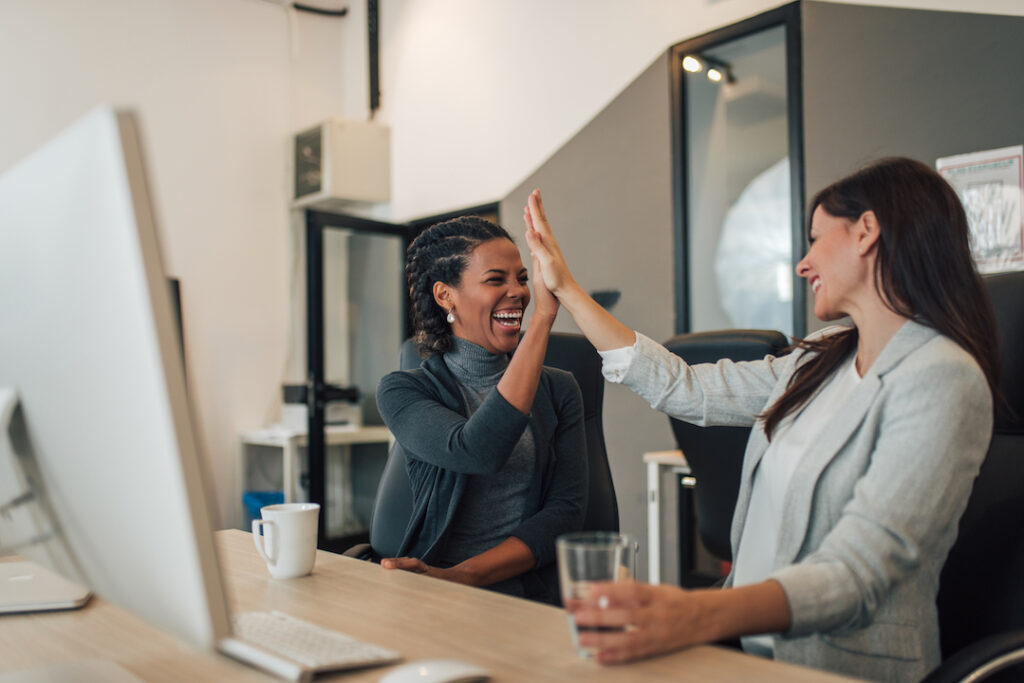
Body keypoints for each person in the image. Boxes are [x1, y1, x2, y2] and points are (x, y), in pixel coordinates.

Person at [523, 157, 999, 681]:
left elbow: (858, 571)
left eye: (816, 239)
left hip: (838, 670)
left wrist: (692, 613)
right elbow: (687, 388)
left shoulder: (942, 377)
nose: (803, 263)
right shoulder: (821, 358)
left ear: (866, 232)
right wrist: (566, 288)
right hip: (745, 654)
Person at [376, 215, 588, 605]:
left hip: (528, 595)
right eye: (496, 280)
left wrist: (466, 576)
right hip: (434, 590)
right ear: (445, 296)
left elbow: (566, 511)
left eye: (523, 279)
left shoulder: (560, 390)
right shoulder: (404, 390)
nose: (519, 293)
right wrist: (543, 318)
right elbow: (477, 450)